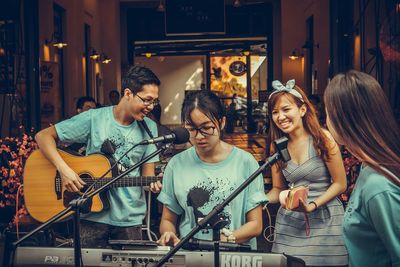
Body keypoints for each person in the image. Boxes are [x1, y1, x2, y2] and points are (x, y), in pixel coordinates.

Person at [35, 65, 162, 248]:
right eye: (147, 100)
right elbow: (43, 136)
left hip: (129, 220)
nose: (151, 107)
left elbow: (148, 177)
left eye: (154, 102)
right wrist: (65, 171)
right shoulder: (94, 118)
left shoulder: (150, 127)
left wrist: (155, 185)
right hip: (91, 215)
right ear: (128, 93)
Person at [157, 90, 267, 249]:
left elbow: (255, 224)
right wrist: (168, 233)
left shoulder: (245, 162)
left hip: (234, 256)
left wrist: (222, 240)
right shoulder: (176, 164)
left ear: (221, 122)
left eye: (206, 128)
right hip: (191, 257)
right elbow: (168, 220)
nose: (199, 136)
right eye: (192, 128)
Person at [265, 79, 348, 266]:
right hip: (291, 223)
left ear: (302, 110)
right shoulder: (276, 146)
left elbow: (340, 184)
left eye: (286, 109)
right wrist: (257, 200)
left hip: (326, 220)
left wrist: (312, 205)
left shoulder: (322, 138)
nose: (280, 116)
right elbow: (278, 189)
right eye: (275, 112)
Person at [324, 70, 400, 267]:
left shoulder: (379, 186)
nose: (326, 121)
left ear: (343, 120)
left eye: (327, 112)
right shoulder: (367, 169)